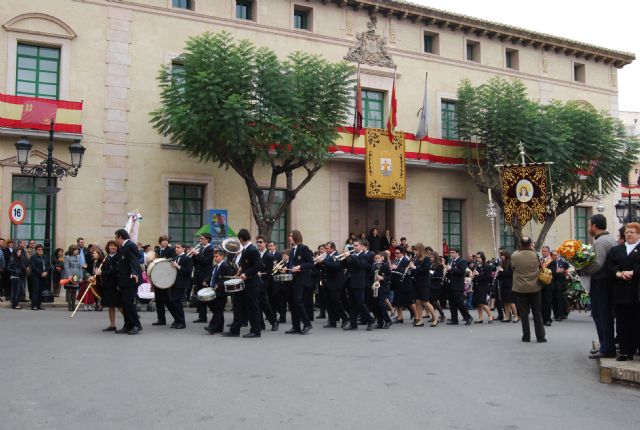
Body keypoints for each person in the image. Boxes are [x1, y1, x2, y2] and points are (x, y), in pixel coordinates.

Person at [580, 214, 618, 359]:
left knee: (601, 315)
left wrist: (581, 270)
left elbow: (597, 264)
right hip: (606, 282)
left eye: (589, 225)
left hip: (601, 282)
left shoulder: (601, 242)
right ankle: (605, 345)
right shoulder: (609, 239)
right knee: (603, 315)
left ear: (594, 226)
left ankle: (607, 348)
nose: (589, 228)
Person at [605, 222, 640, 361]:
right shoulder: (616, 250)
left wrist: (633, 272)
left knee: (637, 321)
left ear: (638, 233)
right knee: (622, 322)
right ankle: (626, 351)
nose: (629, 234)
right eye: (627, 232)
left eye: (632, 231)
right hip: (621, 292)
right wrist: (618, 273)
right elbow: (609, 266)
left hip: (637, 291)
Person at [224, 228, 265, 338]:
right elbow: (247, 263)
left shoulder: (252, 249)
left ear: (241, 239)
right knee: (238, 306)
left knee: (252, 308)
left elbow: (259, 265)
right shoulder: (246, 249)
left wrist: (246, 274)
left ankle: (256, 331)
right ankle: (235, 330)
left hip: (252, 283)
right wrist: (240, 269)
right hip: (246, 283)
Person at [511, 236, 546, 343]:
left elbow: (513, 268)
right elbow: (540, 267)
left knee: (524, 313)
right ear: (530, 243)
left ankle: (526, 336)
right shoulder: (536, 254)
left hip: (520, 287)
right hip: (535, 287)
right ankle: (540, 337)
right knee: (537, 312)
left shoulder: (515, 255)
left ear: (520, 244)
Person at [284, 230, 314, 335]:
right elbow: (292, 264)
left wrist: (300, 267)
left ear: (296, 237)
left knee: (298, 301)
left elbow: (311, 263)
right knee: (292, 303)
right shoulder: (292, 250)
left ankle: (307, 323)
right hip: (293, 279)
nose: (289, 237)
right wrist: (286, 268)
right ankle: (295, 326)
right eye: (289, 235)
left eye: (291, 236)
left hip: (301, 279)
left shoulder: (304, 248)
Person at [114, 229, 143, 335]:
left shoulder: (130, 245)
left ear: (120, 237)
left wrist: (135, 273)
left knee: (128, 303)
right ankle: (128, 325)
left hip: (131, 279)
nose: (115, 240)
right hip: (124, 280)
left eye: (116, 238)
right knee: (124, 303)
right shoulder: (122, 247)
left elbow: (134, 260)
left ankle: (136, 325)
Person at [343, 239, 376, 331]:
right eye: (353, 245)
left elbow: (361, 265)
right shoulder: (352, 256)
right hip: (350, 282)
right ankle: (353, 324)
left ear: (361, 246)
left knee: (360, 303)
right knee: (352, 304)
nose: (354, 247)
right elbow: (346, 266)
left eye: (356, 245)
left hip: (359, 282)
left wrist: (350, 257)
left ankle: (370, 320)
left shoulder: (365, 256)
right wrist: (345, 258)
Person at [204, 248, 232, 334]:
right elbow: (211, 276)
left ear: (222, 256)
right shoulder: (215, 266)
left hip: (221, 292)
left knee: (218, 311)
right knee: (217, 310)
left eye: (217, 256)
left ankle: (212, 327)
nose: (215, 258)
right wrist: (206, 281)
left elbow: (227, 278)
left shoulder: (225, 266)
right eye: (214, 257)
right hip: (214, 291)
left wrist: (219, 284)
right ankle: (219, 328)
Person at [151, 235, 177, 326]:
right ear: (160, 241)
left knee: (167, 300)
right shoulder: (157, 251)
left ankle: (176, 319)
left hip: (166, 277)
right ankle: (161, 319)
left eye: (166, 240)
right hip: (157, 278)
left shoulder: (171, 250)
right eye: (163, 240)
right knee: (158, 300)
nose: (165, 242)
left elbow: (173, 259)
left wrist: (164, 260)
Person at [410, 243, 437, 327]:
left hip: (424, 282)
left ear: (420, 250)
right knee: (417, 301)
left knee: (425, 302)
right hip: (416, 282)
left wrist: (414, 268)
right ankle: (420, 319)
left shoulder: (426, 258)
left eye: (416, 250)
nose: (415, 252)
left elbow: (425, 269)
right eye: (414, 250)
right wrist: (410, 269)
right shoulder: (416, 258)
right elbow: (416, 271)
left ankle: (435, 318)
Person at [164, 242, 190, 329]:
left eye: (178, 247)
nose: (176, 249)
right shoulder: (175, 258)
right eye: (176, 247)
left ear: (183, 249)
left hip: (181, 283)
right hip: (173, 283)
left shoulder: (187, 258)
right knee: (172, 302)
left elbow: (188, 272)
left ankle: (182, 322)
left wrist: (177, 266)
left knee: (176, 302)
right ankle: (177, 320)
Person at [256, 235, 279, 331]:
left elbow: (269, 272)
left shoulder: (269, 256)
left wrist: (260, 274)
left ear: (265, 243)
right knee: (257, 304)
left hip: (264, 283)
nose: (258, 244)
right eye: (257, 242)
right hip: (255, 282)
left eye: (260, 242)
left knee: (264, 304)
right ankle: (261, 324)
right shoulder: (256, 254)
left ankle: (274, 322)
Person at [97, 240, 121, 331]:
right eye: (111, 246)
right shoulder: (106, 257)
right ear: (108, 247)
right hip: (107, 285)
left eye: (115, 246)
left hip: (115, 284)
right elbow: (102, 269)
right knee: (110, 305)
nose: (113, 247)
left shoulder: (118, 257)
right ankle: (112, 325)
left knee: (119, 305)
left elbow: (114, 271)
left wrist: (102, 273)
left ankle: (129, 321)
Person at [446, 249, 473, 325]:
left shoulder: (462, 261)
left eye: (453, 253)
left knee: (460, 302)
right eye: (450, 253)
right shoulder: (450, 261)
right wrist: (447, 272)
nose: (451, 254)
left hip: (458, 285)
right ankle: (454, 319)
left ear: (458, 253)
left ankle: (468, 317)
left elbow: (461, 272)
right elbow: (450, 272)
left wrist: (451, 269)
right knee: (452, 303)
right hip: (450, 284)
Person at [191, 233, 214, 323]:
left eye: (202, 238)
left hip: (205, 276)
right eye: (200, 238)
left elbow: (205, 261)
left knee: (206, 297)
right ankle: (202, 317)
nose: (200, 240)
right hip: (198, 275)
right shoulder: (201, 248)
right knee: (199, 297)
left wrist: (197, 254)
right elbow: (197, 262)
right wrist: (193, 256)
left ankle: (216, 314)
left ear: (207, 240)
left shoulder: (210, 249)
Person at [547, 250, 570, 322]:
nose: (555, 256)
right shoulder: (550, 263)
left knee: (560, 299)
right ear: (551, 256)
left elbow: (566, 266)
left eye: (556, 255)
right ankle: (556, 314)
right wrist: (556, 271)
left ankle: (561, 315)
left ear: (558, 255)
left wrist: (563, 270)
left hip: (561, 283)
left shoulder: (562, 263)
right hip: (553, 284)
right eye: (553, 255)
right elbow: (549, 272)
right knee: (554, 299)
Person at [472, 251, 494, 324]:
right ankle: (480, 318)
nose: (477, 259)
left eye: (479, 257)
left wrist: (478, 275)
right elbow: (475, 276)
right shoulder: (476, 266)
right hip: (476, 286)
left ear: (482, 258)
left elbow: (488, 277)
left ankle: (490, 315)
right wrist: (473, 276)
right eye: (477, 257)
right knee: (478, 303)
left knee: (482, 302)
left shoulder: (487, 266)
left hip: (483, 286)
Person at [496, 250, 518, 323]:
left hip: (510, 284)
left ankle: (516, 316)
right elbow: (501, 275)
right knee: (505, 301)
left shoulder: (510, 263)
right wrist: (497, 274)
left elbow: (511, 274)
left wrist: (502, 271)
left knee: (511, 301)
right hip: (504, 284)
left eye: (502, 255)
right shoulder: (502, 263)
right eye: (500, 255)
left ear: (506, 255)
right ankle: (507, 316)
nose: (501, 257)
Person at [29, 244, 49, 310]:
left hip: (43, 276)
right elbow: (33, 267)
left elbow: (47, 266)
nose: (40, 251)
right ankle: (33, 305)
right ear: (36, 250)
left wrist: (46, 272)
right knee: (35, 291)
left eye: (41, 249)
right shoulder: (33, 257)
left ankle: (38, 305)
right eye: (39, 249)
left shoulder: (44, 257)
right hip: (36, 276)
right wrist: (41, 273)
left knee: (40, 291)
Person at [63, 245, 83, 312]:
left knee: (74, 291)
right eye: (75, 250)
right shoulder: (67, 257)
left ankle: (73, 306)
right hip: (69, 275)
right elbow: (66, 267)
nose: (77, 251)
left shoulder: (79, 257)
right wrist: (69, 276)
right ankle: (69, 306)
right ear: (71, 250)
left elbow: (80, 267)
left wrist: (81, 277)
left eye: (77, 250)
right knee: (69, 290)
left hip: (76, 276)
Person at [429, 252, 446, 322]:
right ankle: (433, 316)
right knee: (431, 301)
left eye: (432, 257)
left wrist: (431, 272)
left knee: (434, 301)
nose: (431, 258)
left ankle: (442, 314)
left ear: (435, 258)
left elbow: (440, 275)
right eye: (430, 257)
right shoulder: (431, 264)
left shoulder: (439, 265)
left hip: (436, 285)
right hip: (430, 284)